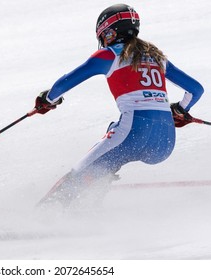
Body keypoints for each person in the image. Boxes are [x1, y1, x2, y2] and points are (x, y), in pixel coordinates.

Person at [34, 4, 204, 207]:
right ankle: (90, 204)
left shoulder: (109, 55)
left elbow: (63, 84)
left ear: (110, 32)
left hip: (134, 132)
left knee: (79, 172)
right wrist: (180, 110)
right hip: (165, 141)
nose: (103, 41)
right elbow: (196, 89)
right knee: (110, 141)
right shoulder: (158, 58)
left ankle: (42, 214)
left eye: (104, 36)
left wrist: (48, 100)